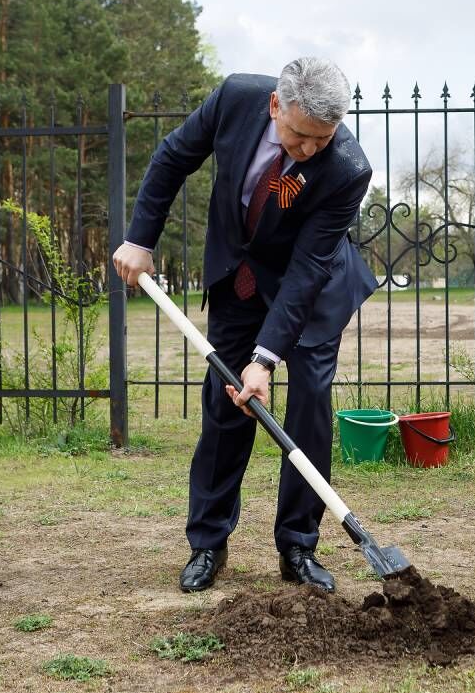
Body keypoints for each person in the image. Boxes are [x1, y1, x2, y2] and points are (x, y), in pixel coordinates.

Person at [112, 57, 376, 594]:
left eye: (321, 139)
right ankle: (208, 542)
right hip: (240, 276)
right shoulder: (236, 98)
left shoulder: (347, 167)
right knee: (225, 402)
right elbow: (171, 159)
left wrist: (267, 358)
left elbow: (307, 269)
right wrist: (140, 240)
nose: (308, 150)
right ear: (275, 105)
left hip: (311, 289)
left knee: (308, 402)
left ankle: (298, 545)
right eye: (300, 136)